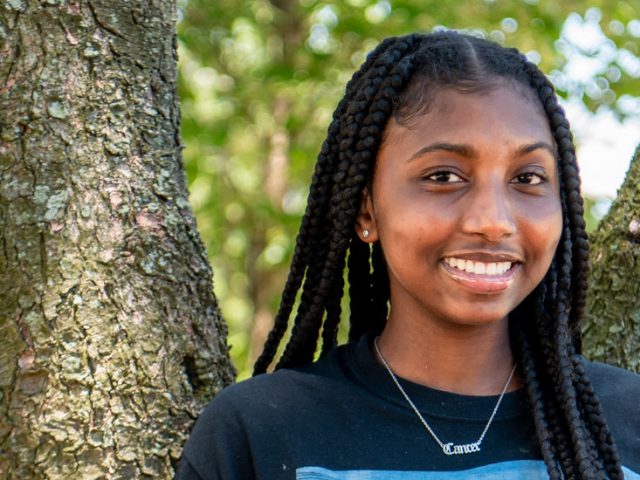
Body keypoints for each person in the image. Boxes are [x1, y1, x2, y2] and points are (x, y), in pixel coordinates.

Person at [176, 31, 640, 479]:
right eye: (443, 176)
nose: (494, 220)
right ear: (366, 211)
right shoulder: (260, 431)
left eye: (528, 178)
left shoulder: (627, 419)